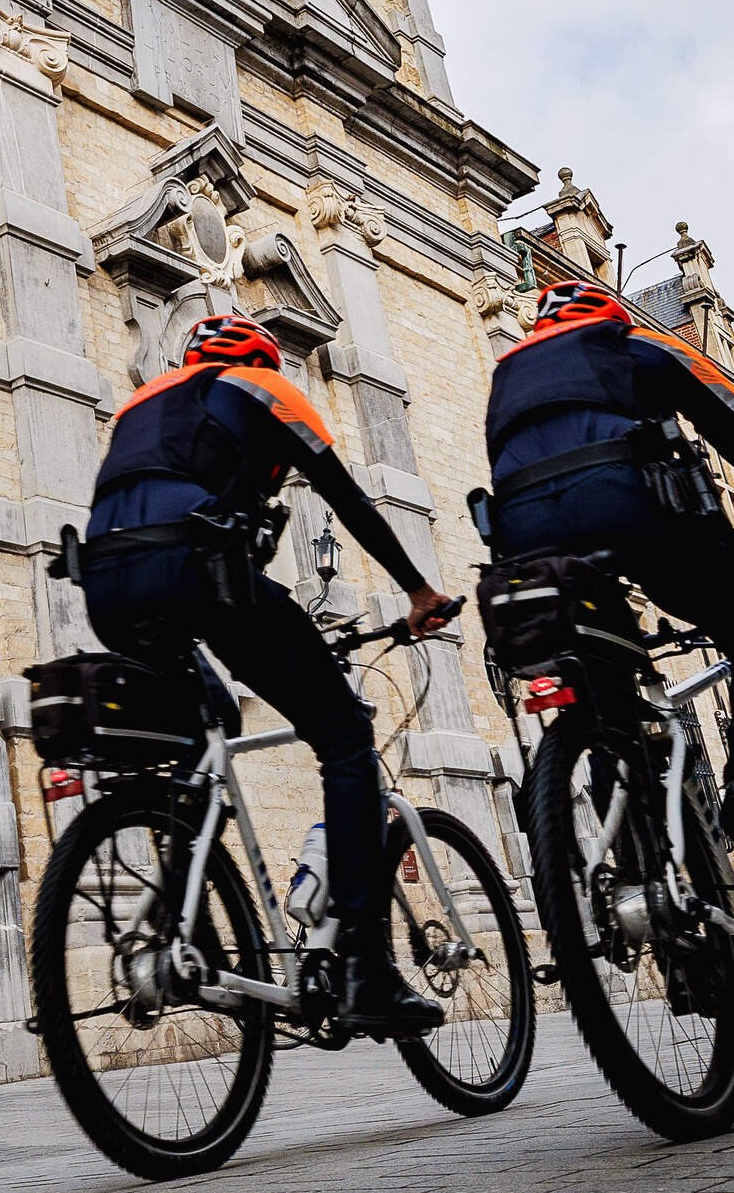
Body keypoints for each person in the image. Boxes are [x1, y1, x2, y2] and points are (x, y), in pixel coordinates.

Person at [76, 312, 459, 1037]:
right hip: (198, 572)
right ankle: (363, 967)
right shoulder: (260, 385)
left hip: (106, 588)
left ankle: (197, 932)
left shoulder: (139, 402)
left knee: (208, 723)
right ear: (263, 359)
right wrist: (418, 592)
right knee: (345, 736)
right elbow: (344, 497)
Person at [477, 280, 734, 893]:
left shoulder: (507, 373)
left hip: (523, 538)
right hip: (627, 505)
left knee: (601, 685)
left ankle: (666, 920)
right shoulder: (645, 344)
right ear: (610, 316)